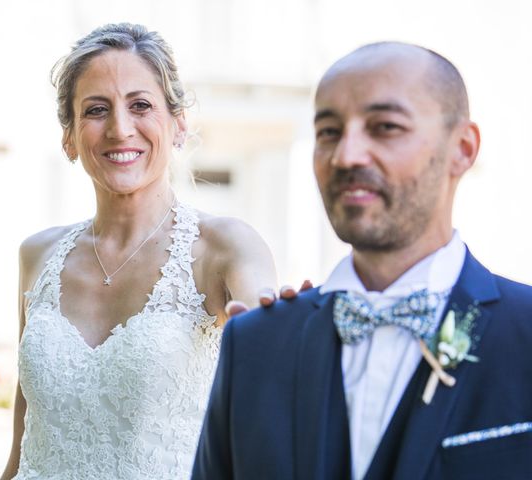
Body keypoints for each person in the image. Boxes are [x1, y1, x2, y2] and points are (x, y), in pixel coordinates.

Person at [192, 42, 532, 480]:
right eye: (329, 132)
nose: (346, 156)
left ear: (462, 148)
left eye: (385, 127)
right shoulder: (255, 344)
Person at [0, 23, 277, 480]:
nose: (120, 129)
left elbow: (277, 372)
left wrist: (290, 322)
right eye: (96, 110)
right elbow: (23, 446)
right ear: (69, 137)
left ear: (178, 125)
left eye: (141, 105)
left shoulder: (225, 247)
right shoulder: (37, 256)